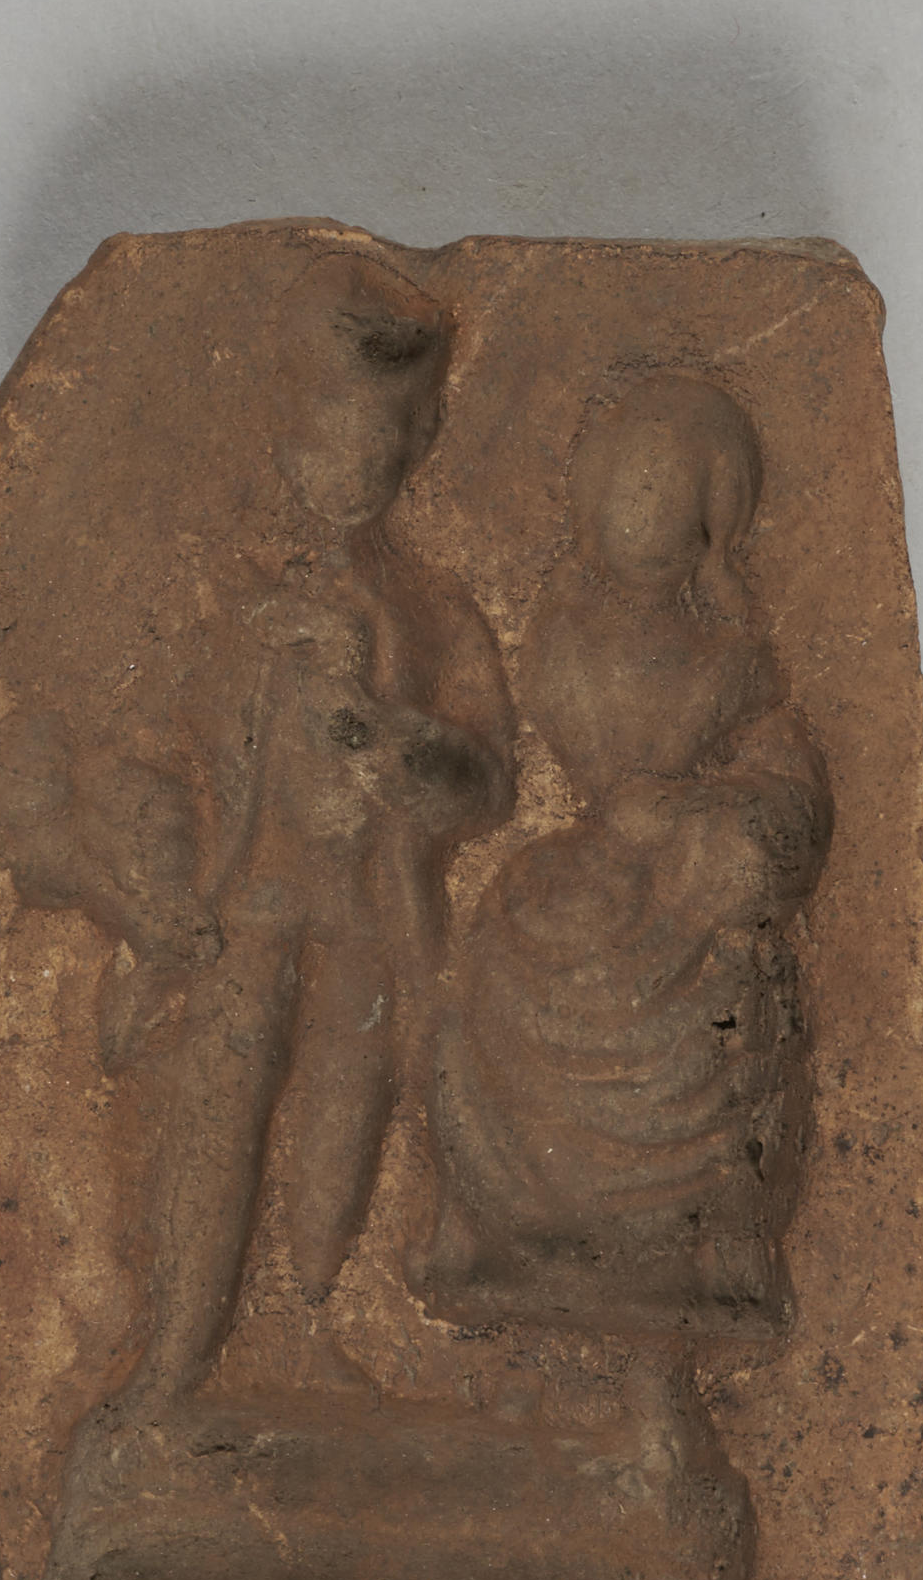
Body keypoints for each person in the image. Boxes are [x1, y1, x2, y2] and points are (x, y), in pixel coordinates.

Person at [108, 252, 513, 1401]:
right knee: (219, 1117)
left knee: (343, 1113)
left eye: (376, 444)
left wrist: (388, 737)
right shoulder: (232, 600)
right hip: (251, 908)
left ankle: (305, 1320)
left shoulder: (434, 615)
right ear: (284, 433)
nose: (349, 468)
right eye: (327, 437)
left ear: (417, 443)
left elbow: (487, 785)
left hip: (369, 921)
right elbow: (160, 750)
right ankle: (176, 1354)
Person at [423, 369, 827, 1330]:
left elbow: (785, 782)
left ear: (711, 515)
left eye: (666, 483)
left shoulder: (732, 659)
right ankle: (497, 1214)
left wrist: (699, 815)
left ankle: (713, 1230)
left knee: (730, 983)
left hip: (685, 881)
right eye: (628, 479)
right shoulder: (559, 637)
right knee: (494, 953)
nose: (641, 507)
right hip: (582, 873)